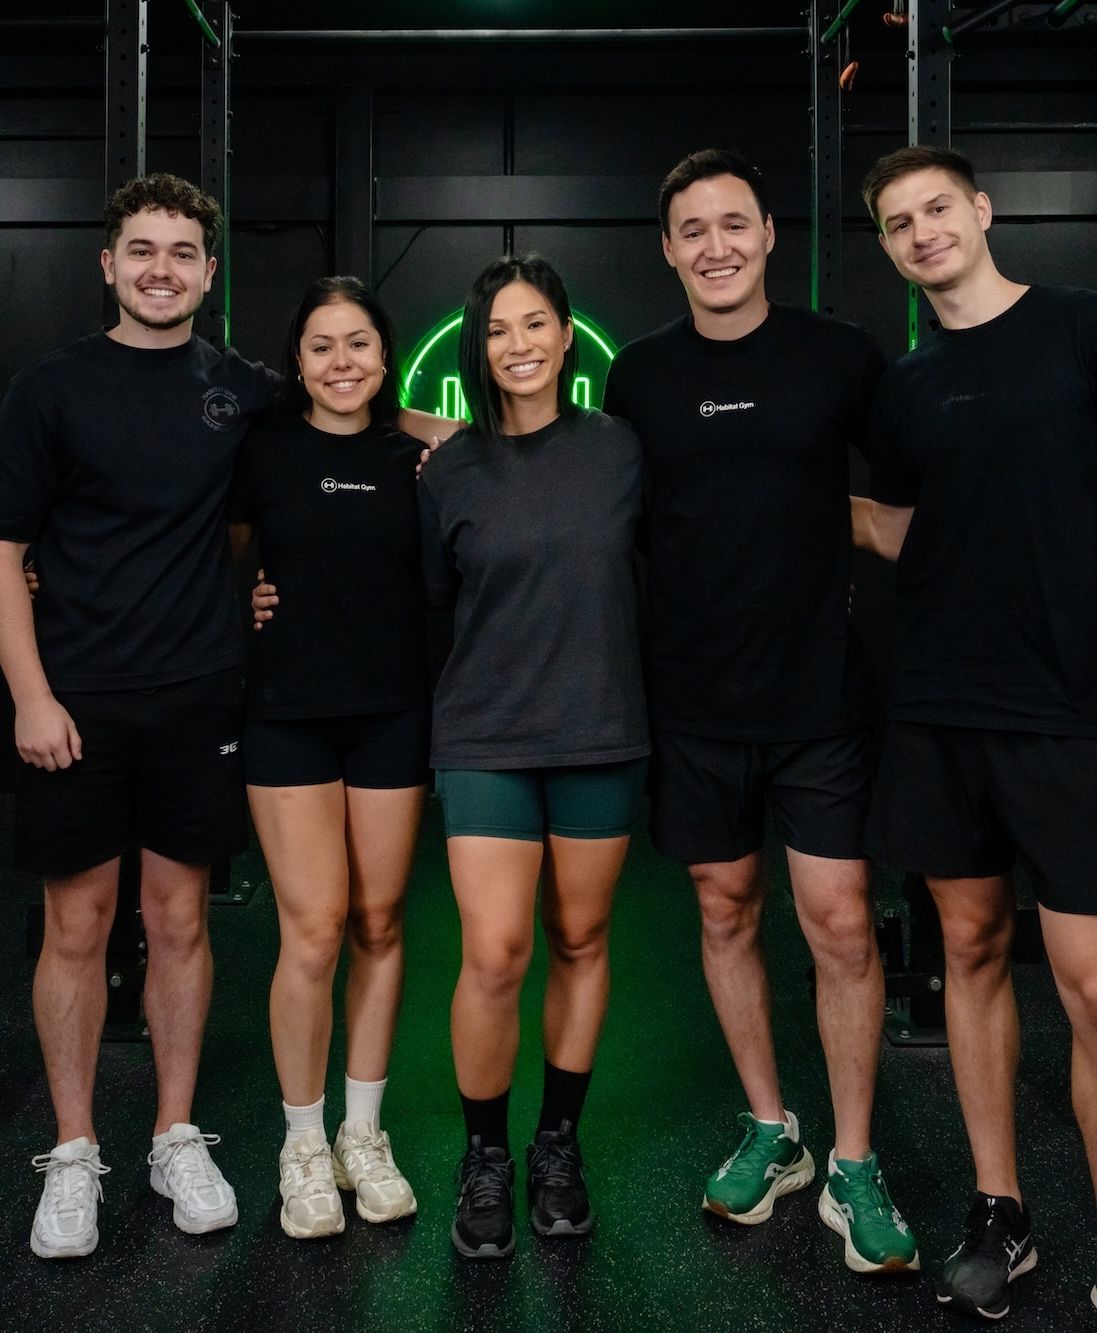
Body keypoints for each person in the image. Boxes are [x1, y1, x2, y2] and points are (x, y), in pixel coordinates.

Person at [601, 148, 918, 1274]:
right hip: (691, 700)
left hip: (819, 697)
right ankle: (770, 1127)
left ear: (767, 232)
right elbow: (575, 492)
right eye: (692, 229)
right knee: (725, 908)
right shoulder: (635, 375)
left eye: (733, 223)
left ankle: (854, 1159)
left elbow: (910, 494)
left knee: (837, 923)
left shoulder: (838, 356)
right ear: (667, 248)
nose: (715, 246)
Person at [0, 173, 273, 1257]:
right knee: (76, 923)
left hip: (198, 694)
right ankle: (72, 1150)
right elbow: (5, 555)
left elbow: (339, 408)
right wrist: (28, 692)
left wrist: (465, 429)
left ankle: (173, 1132)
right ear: (108, 265)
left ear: (209, 272)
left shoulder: (236, 386)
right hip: (75, 702)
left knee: (179, 921)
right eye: (141, 250)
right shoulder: (49, 389)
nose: (162, 268)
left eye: (182, 253)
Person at [855, 144, 1097, 1320]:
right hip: (943, 705)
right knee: (965, 955)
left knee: (1089, 982)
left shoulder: (1072, 327)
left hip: (1065, 706)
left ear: (981, 209)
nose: (920, 233)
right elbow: (910, 529)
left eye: (935, 209)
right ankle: (1000, 1211)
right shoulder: (901, 386)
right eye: (897, 223)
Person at [417, 254, 649, 1259]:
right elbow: (426, 605)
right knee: (494, 950)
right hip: (485, 732)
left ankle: (556, 1143)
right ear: (479, 348)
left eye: (533, 324)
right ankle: (484, 1155)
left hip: (599, 725)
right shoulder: (451, 469)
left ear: (564, 336)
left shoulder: (619, 448)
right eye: (497, 330)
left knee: (580, 939)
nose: (516, 344)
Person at [227, 276, 425, 1239]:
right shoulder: (260, 451)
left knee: (380, 923)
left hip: (393, 713)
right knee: (313, 928)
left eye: (358, 344)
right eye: (320, 345)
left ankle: (361, 1132)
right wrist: (244, 602)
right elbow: (209, 552)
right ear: (295, 361)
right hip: (290, 716)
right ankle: (301, 1144)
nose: (340, 362)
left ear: (384, 359)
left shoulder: (418, 456)